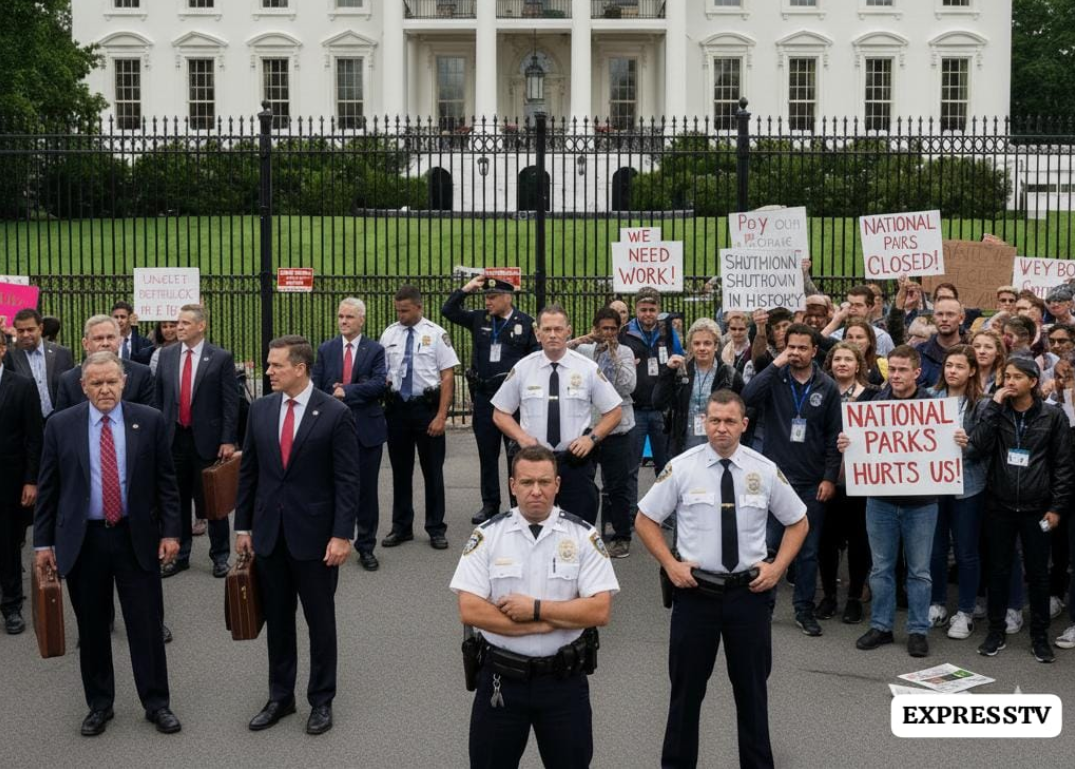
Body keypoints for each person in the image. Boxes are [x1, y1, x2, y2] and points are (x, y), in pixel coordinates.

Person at [636, 389, 808, 769]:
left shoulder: (763, 469)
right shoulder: (682, 467)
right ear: (704, 422)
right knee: (685, 696)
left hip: (749, 595)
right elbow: (645, 519)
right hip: (696, 593)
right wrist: (670, 564)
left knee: (752, 695)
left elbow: (798, 520)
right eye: (714, 420)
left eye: (730, 421)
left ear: (744, 424)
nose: (721, 428)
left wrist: (777, 568)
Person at [33, 351, 182, 736]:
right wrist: (42, 544)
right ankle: (100, 704)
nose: (104, 389)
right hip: (84, 540)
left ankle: (157, 703)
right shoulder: (60, 425)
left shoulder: (149, 420)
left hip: (136, 537)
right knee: (93, 627)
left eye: (111, 382)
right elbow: (48, 489)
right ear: (83, 386)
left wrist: (171, 533)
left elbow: (167, 483)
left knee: (145, 625)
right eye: (96, 383)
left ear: (124, 382)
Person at [450, 445, 619, 769]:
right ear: (513, 486)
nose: (536, 491)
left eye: (544, 482)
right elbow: (470, 609)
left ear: (557, 484)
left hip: (563, 682)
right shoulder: (488, 535)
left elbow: (599, 610)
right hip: (501, 681)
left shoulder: (583, 536)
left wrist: (537, 609)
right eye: (527, 483)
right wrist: (545, 623)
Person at [235, 335, 359, 735]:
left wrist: (342, 535)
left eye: (276, 365)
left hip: (316, 538)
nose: (268, 371)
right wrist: (243, 525)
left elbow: (347, 481)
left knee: (320, 622)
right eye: (269, 365)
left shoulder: (335, 413)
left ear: (300, 368)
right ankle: (280, 697)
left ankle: (321, 700)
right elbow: (249, 472)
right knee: (278, 620)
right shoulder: (260, 410)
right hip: (270, 536)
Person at [840, 345, 950, 659]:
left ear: (917, 372)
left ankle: (918, 631)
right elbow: (861, 446)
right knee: (881, 568)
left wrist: (956, 441)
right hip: (880, 501)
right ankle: (881, 626)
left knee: (919, 571)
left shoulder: (933, 408)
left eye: (903, 370)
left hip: (922, 503)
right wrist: (848, 443)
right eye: (893, 369)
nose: (897, 375)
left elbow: (944, 449)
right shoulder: (874, 404)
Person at [970, 357, 1074, 663]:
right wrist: (994, 406)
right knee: (998, 570)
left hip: (1037, 508)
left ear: (1033, 381)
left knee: (1038, 574)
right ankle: (996, 631)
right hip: (999, 505)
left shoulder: (1052, 416)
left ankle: (1039, 636)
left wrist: (1056, 507)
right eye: (1007, 377)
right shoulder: (996, 411)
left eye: (1017, 377)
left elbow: (1064, 465)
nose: (1010, 382)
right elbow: (977, 447)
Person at [741, 323, 840, 637]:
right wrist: (776, 363)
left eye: (801, 348)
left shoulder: (827, 387)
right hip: (776, 480)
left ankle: (804, 609)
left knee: (807, 551)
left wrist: (829, 477)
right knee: (768, 547)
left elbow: (833, 436)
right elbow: (747, 397)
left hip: (811, 481)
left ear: (814, 351)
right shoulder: (775, 377)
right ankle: (763, 605)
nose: (795, 353)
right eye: (790, 347)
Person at [492, 306, 622, 526]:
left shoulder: (587, 368)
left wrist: (591, 439)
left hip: (574, 461)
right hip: (534, 462)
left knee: (579, 526)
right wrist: (522, 438)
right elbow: (500, 413)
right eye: (547, 329)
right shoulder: (523, 368)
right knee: (531, 526)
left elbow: (615, 411)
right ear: (537, 333)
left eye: (558, 329)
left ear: (568, 331)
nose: (553, 335)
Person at [442, 276, 539, 525]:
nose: (487, 301)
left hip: (514, 401)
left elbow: (535, 360)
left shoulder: (525, 323)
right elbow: (448, 310)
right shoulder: (480, 319)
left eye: (493, 297)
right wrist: (466, 289)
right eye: (486, 296)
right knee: (487, 454)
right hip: (486, 397)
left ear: (508, 297)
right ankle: (490, 504)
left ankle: (518, 504)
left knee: (516, 455)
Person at [154, 304, 239, 578]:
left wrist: (228, 439)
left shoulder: (220, 357)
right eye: (178, 322)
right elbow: (158, 399)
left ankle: (220, 556)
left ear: (201, 326)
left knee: (212, 500)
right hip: (174, 438)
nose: (178, 327)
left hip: (208, 441)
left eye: (185, 323)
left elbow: (230, 402)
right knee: (176, 499)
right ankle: (180, 555)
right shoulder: (166, 355)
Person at [379, 285, 459, 550]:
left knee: (432, 471)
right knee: (400, 471)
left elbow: (447, 376)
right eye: (397, 310)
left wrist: (441, 416)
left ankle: (435, 527)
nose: (400, 315)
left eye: (405, 310)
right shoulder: (390, 333)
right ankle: (401, 527)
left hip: (426, 410)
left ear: (418, 307)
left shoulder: (436, 334)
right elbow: (382, 371)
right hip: (397, 409)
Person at [312, 298, 387, 571]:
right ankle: (333, 540)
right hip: (332, 431)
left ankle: (366, 546)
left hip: (366, 431)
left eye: (349, 317)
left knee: (366, 491)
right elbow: (316, 386)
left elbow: (378, 385)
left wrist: (345, 390)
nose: (343, 321)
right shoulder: (326, 349)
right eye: (341, 316)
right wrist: (353, 388)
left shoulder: (375, 350)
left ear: (361, 320)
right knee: (331, 487)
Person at [927, 345, 989, 640]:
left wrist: (970, 444)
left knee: (966, 551)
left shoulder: (982, 405)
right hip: (934, 485)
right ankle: (937, 604)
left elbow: (987, 446)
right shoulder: (929, 397)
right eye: (949, 365)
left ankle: (965, 611)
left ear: (972, 370)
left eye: (960, 366)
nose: (952, 371)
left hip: (969, 486)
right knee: (935, 549)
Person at [816, 342, 877, 625]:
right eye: (837, 358)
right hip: (827, 479)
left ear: (858, 365)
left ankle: (854, 598)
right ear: (830, 363)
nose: (842, 363)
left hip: (860, 481)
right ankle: (829, 596)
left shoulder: (873, 396)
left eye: (848, 359)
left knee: (859, 541)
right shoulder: (820, 394)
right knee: (826, 541)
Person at [574, 308, 636, 558]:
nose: (608, 333)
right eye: (604, 329)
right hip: (589, 429)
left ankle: (621, 536)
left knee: (617, 486)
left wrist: (614, 356)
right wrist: (581, 339)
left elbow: (628, 386)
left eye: (613, 329)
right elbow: (554, 352)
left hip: (617, 429)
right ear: (595, 329)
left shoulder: (626, 352)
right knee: (583, 485)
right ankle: (585, 533)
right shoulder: (584, 351)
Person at [620, 288, 684, 506]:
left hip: (662, 411)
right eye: (643, 309)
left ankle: (665, 514)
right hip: (634, 410)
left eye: (652, 309)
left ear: (659, 309)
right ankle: (630, 514)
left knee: (666, 468)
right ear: (636, 309)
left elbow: (680, 358)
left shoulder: (667, 332)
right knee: (630, 468)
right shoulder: (625, 333)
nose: (648, 314)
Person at [0, 333, 42, 635]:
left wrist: (31, 480)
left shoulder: (22, 386)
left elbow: (34, 438)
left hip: (9, 482)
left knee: (8, 546)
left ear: (2, 349)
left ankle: (12, 605)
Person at [654, 318, 744, 457]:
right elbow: (658, 402)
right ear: (691, 346)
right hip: (684, 444)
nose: (702, 348)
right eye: (697, 343)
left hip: (719, 445)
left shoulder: (729, 375)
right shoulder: (679, 371)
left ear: (716, 346)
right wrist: (668, 372)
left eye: (707, 343)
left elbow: (743, 410)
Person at [55, 315, 156, 411]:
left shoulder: (141, 374)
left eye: (110, 337)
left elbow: (149, 418)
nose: (105, 343)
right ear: (86, 344)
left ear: (119, 341)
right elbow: (62, 420)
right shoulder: (68, 380)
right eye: (98, 338)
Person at [3, 308, 75, 418]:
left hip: (60, 419)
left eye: (30, 330)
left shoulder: (62, 354)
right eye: (21, 331)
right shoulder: (9, 356)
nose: (25, 334)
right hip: (24, 421)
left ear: (40, 328)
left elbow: (71, 388)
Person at [822, 285, 896, 356]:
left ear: (869, 307)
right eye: (850, 304)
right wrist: (837, 319)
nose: (853, 309)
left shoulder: (882, 337)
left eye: (858, 305)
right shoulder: (835, 336)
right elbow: (818, 344)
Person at [917, 297, 967, 386]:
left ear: (961, 319)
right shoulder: (919, 353)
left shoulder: (972, 352)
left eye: (950, 314)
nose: (944, 319)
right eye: (939, 314)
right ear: (934, 318)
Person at [971, 329, 1006, 393]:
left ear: (998, 351)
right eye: (977, 346)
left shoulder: (1005, 380)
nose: (981, 351)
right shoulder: (962, 376)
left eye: (988, 347)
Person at [719, 310, 753, 378]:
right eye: (733, 329)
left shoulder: (753, 348)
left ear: (748, 329)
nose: (737, 333)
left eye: (741, 329)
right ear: (728, 329)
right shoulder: (721, 347)